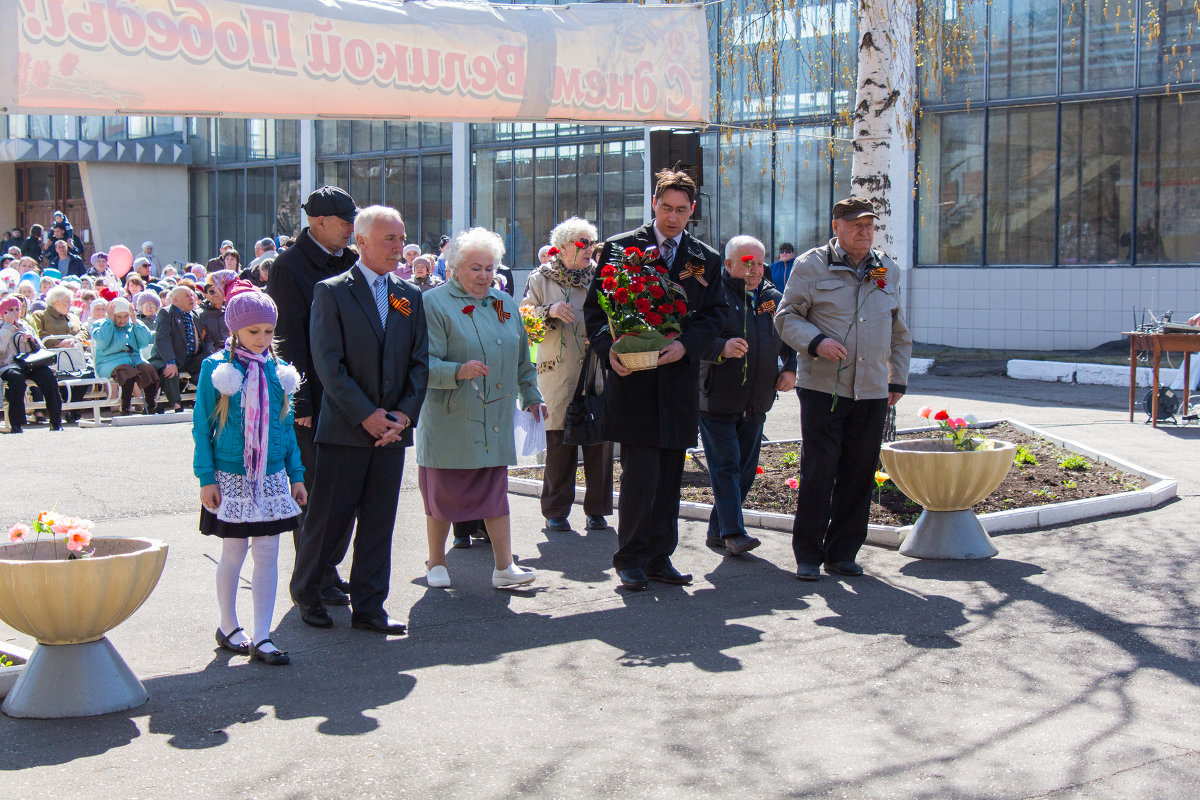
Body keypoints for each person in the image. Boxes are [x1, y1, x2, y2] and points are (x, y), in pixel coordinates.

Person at [583, 168, 726, 591]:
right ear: (654, 204)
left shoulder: (705, 259)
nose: (672, 217)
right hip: (634, 379)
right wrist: (607, 350)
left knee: (668, 476)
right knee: (640, 474)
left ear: (692, 211)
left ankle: (660, 557)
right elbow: (595, 311)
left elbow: (717, 314)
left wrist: (687, 346)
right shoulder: (619, 249)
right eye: (666, 208)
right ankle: (629, 557)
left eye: (682, 210)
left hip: (679, 382)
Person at [290, 206, 427, 635]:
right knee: (329, 519)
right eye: (389, 238)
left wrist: (402, 416)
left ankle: (370, 606)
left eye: (401, 238)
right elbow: (328, 366)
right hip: (346, 430)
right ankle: (308, 592)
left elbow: (419, 363)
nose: (398, 247)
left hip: (391, 433)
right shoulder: (331, 291)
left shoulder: (410, 295)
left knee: (378, 522)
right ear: (361, 242)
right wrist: (368, 416)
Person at [774, 197, 912, 580]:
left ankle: (843, 552)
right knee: (820, 471)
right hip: (822, 388)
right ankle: (808, 554)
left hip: (871, 390)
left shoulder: (887, 269)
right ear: (836, 226)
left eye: (869, 225)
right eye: (855, 224)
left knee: (859, 473)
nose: (864, 231)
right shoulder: (810, 265)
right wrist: (816, 341)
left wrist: (897, 378)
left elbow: (899, 331)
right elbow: (786, 317)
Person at [417, 227, 544, 590]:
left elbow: (523, 360)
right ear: (455, 267)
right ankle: (436, 562)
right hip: (450, 417)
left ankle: (505, 566)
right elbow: (423, 362)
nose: (484, 276)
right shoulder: (435, 303)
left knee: (494, 492)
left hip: (495, 417)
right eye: (475, 268)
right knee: (442, 495)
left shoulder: (503, 303)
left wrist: (531, 395)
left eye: (489, 268)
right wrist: (457, 370)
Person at [193, 282, 306, 666]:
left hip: (272, 475)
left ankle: (263, 635)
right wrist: (206, 476)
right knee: (234, 550)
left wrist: (297, 474)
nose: (262, 339)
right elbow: (201, 428)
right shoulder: (216, 369)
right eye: (253, 331)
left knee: (269, 552)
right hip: (231, 477)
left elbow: (285, 427)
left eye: (268, 332)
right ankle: (228, 626)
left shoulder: (279, 370)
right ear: (234, 330)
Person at [267, 185, 360, 606]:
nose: (351, 230)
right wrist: (299, 401)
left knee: (345, 491)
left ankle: (327, 566)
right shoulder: (288, 266)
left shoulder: (350, 260)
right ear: (319, 222)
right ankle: (312, 574)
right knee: (315, 492)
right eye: (345, 223)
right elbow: (286, 338)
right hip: (313, 398)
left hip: (348, 391)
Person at [699, 235, 797, 557]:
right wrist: (720, 349)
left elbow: (790, 339)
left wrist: (790, 369)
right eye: (746, 263)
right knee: (726, 465)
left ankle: (717, 530)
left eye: (759, 262)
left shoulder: (772, 296)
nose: (754, 269)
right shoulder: (712, 294)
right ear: (728, 264)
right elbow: (692, 340)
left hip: (757, 401)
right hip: (717, 400)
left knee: (744, 469)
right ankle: (734, 534)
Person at [523, 217, 613, 533]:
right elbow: (524, 321)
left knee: (599, 441)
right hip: (557, 372)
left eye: (591, 242)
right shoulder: (540, 279)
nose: (589, 249)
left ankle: (598, 510)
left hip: (596, 369)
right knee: (559, 444)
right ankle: (556, 510)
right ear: (561, 248)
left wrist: (604, 335)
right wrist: (548, 310)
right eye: (581, 243)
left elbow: (614, 314)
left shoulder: (601, 278)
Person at [1, 296, 64, 433]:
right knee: (16, 380)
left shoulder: (25, 325)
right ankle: (16, 424)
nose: (14, 313)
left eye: (17, 309)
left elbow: (40, 348)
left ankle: (56, 421)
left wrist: (31, 340)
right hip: (8, 364)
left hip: (29, 363)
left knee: (48, 377)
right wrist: (8, 327)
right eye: (9, 310)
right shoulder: (1, 326)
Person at [93, 298, 160, 415]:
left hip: (133, 358)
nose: (123, 320)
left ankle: (150, 405)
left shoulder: (133, 324)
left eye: (126, 316)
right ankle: (125, 406)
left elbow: (145, 341)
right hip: (109, 360)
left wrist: (135, 321)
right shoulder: (100, 324)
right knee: (126, 371)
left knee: (147, 369)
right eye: (118, 317)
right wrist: (109, 321)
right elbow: (103, 342)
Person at [153, 286, 209, 413]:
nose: (191, 298)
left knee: (207, 367)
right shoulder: (166, 313)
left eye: (191, 295)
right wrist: (170, 361)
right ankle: (177, 405)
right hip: (168, 357)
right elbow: (163, 339)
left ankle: (211, 402)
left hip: (190, 358)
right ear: (175, 300)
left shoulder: (196, 314)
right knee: (170, 370)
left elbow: (205, 339)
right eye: (187, 296)